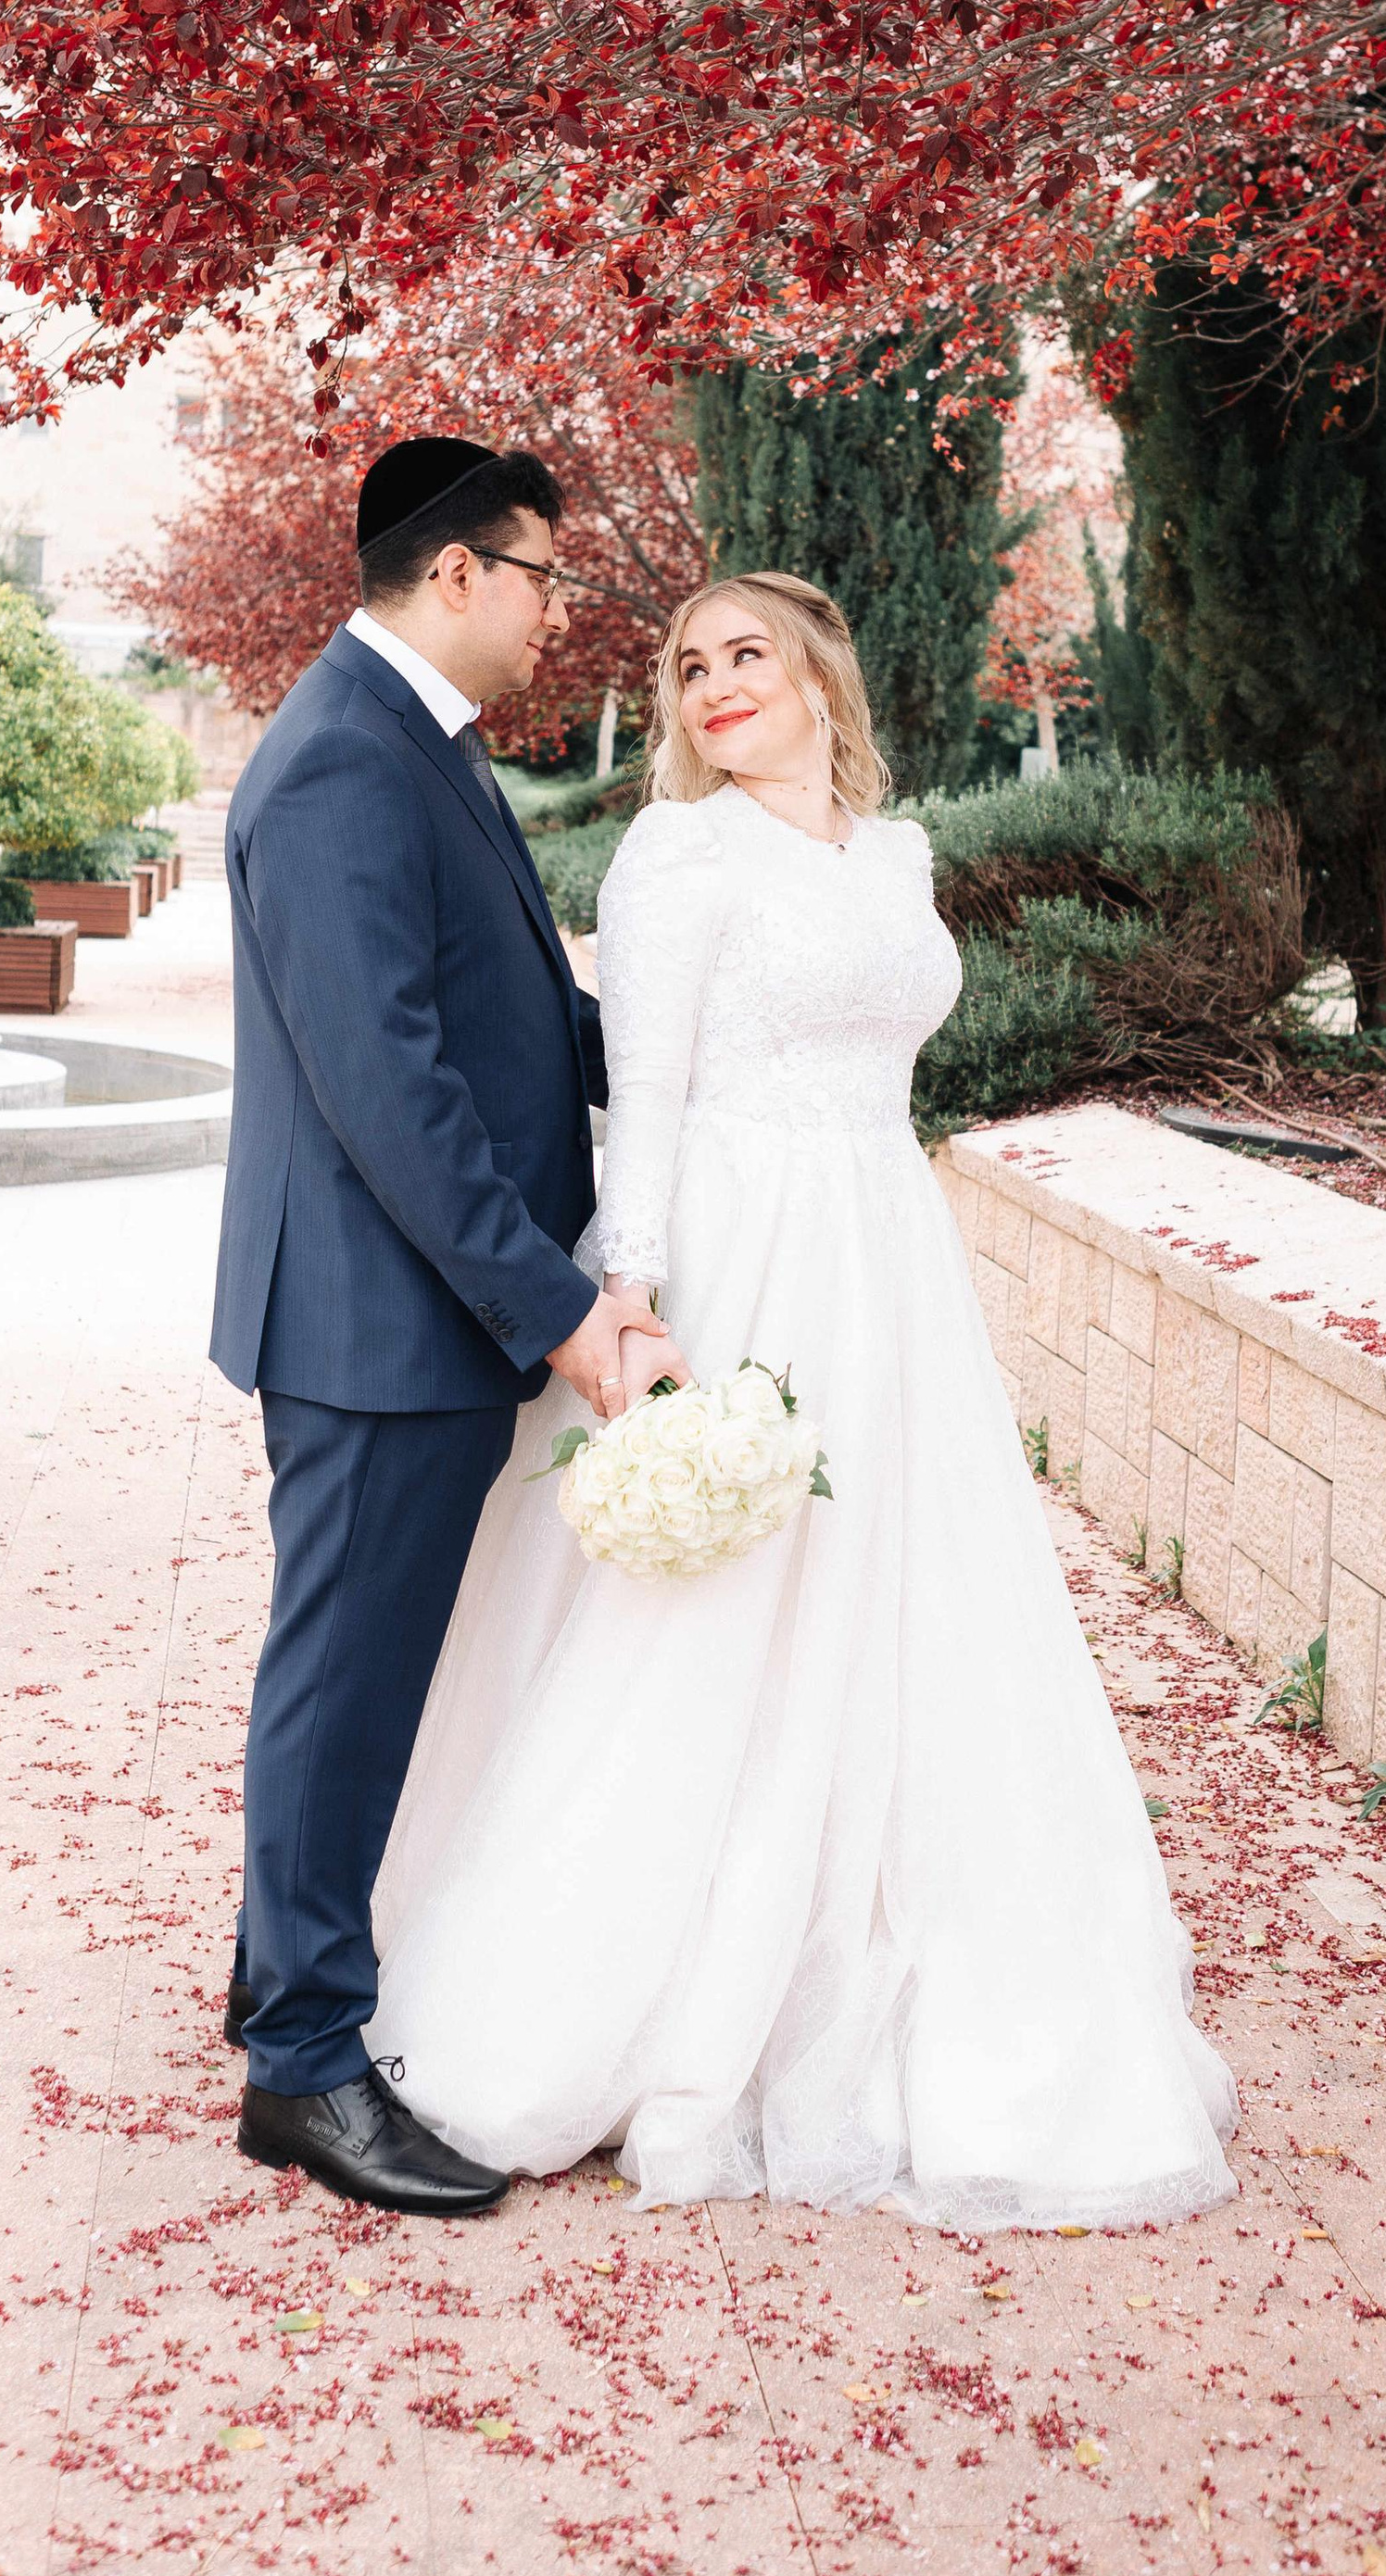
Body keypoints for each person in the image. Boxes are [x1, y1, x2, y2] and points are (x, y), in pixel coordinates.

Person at [366, 572, 1241, 2232]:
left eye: (744, 655)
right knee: (712, 1606)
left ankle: (912, 1950)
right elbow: (658, 1094)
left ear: (824, 672)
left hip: (890, 1255)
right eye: (690, 668)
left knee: (906, 1595)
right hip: (744, 1251)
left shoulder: (898, 859)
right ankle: (625, 1985)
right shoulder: (680, 858)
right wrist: (627, 1298)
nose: (711, 687)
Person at [210, 437, 683, 2217]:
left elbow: (510, 1021)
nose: (563, 612)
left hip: (403, 1315)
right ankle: (308, 2068)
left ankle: (282, 1975)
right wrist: (562, 1313)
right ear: (459, 575)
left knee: (358, 1672)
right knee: (341, 1679)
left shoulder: (417, 744)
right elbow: (393, 1096)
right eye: (547, 576)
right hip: (374, 1319)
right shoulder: (342, 761)